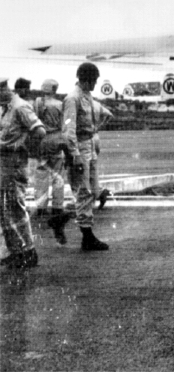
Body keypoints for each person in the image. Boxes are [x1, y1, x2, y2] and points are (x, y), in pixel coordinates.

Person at [63, 62, 109, 251]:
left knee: (90, 191)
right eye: (94, 80)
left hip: (88, 145)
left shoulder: (87, 96)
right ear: (86, 79)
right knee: (84, 192)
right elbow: (68, 130)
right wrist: (75, 156)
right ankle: (87, 237)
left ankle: (61, 221)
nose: (95, 84)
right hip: (80, 149)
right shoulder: (72, 99)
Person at [0, 78, 46, 270]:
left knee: (15, 208)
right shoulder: (7, 108)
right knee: (4, 210)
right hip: (4, 164)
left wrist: (24, 148)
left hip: (14, 163)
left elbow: (40, 131)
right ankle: (16, 251)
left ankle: (28, 251)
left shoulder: (20, 107)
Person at [33, 79, 73, 244]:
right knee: (58, 176)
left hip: (41, 138)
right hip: (56, 138)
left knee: (41, 175)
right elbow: (65, 125)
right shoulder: (59, 104)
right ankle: (57, 206)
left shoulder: (37, 103)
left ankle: (41, 207)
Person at [91, 98, 113, 210]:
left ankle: (94, 195)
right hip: (95, 136)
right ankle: (99, 192)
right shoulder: (96, 104)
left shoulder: (77, 103)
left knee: (80, 171)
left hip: (84, 138)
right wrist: (100, 126)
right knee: (92, 169)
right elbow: (109, 114)